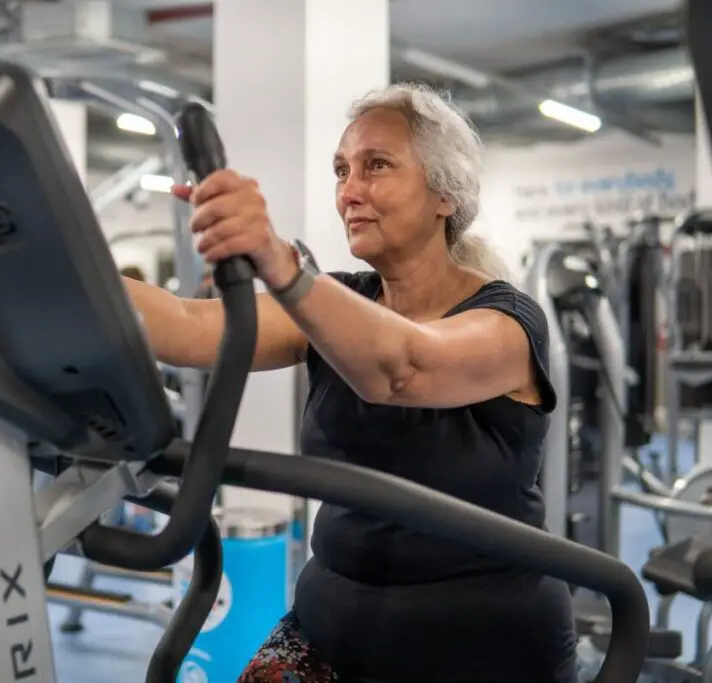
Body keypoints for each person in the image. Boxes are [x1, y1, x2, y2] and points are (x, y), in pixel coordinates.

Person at [122, 82, 577, 683]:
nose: (349, 192)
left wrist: (279, 260)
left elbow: (402, 369)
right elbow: (183, 325)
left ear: (444, 192)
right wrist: (50, 265)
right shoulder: (335, 304)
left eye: (377, 166)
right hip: (331, 629)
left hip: (478, 646)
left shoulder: (509, 322)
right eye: (342, 171)